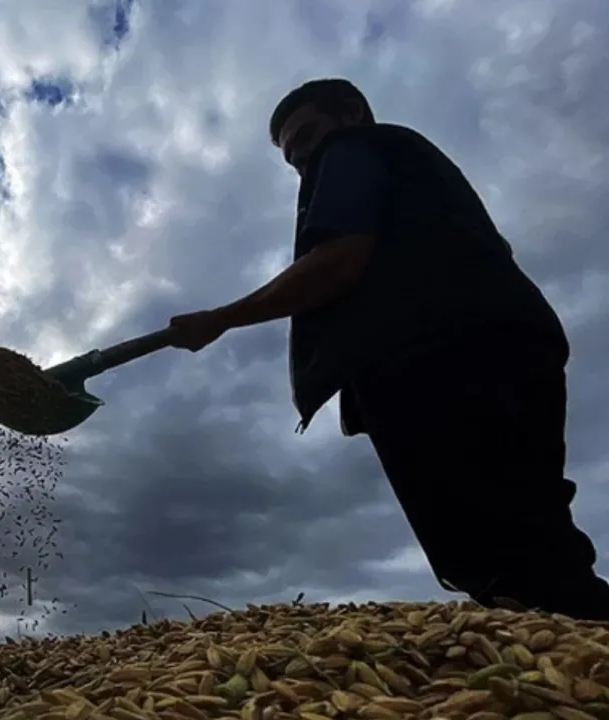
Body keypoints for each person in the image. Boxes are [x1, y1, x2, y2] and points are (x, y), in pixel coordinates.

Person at [166, 77, 609, 620]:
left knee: (503, 551)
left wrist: (220, 320)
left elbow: (339, 259)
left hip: (444, 355)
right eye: (291, 154)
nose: (302, 158)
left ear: (351, 113)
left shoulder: (354, 149)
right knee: (531, 532)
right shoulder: (417, 175)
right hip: (509, 339)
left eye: (306, 136)